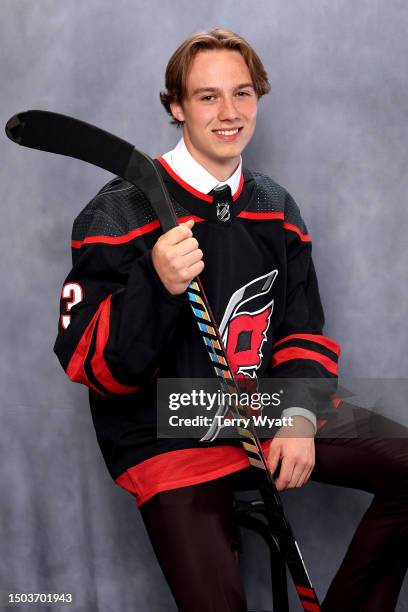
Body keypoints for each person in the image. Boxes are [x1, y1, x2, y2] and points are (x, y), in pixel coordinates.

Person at [54, 29, 407, 612]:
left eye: (243, 94)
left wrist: (296, 413)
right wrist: (157, 285)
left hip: (260, 406)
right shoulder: (117, 210)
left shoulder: (274, 205)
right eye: (208, 96)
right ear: (176, 106)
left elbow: (302, 328)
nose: (230, 113)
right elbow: (95, 365)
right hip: (164, 426)